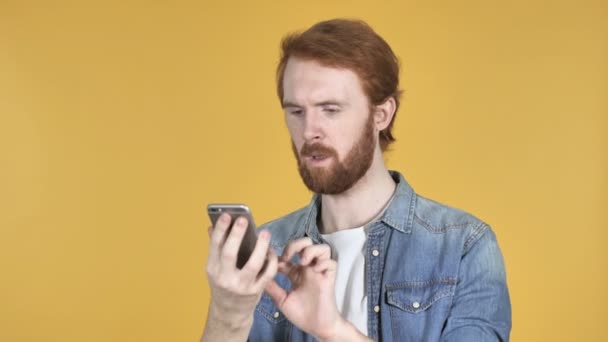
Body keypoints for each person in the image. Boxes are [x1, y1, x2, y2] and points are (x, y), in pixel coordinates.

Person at [201, 18, 511, 342]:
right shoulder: (267, 256)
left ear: (381, 115)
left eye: (330, 109)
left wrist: (332, 331)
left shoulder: (463, 247)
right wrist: (228, 314)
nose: (309, 131)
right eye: (296, 112)